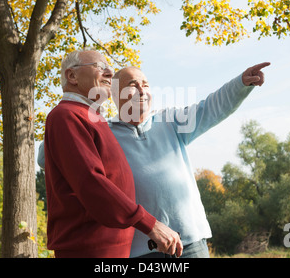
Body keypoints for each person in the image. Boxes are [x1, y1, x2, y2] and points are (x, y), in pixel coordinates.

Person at [39, 57, 270, 258]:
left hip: (190, 243)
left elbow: (210, 108)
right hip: (140, 250)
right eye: (132, 85)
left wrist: (241, 83)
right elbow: (53, 156)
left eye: (146, 84)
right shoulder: (101, 130)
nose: (141, 90)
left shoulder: (171, 122)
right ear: (114, 94)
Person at [43, 49, 182, 258]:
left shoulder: (93, 117)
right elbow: (90, 182)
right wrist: (150, 224)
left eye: (109, 67)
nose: (109, 72)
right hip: (89, 248)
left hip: (111, 248)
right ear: (72, 76)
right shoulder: (65, 116)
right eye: (100, 67)